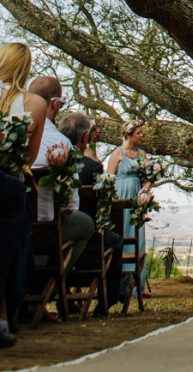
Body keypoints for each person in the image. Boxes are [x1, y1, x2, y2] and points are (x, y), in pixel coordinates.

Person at [0, 43, 46, 348]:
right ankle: (3, 317)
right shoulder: (35, 104)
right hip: (10, 186)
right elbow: (29, 159)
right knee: (6, 252)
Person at [59, 112, 125, 314]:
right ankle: (108, 301)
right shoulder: (93, 168)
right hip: (91, 237)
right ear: (85, 138)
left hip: (54, 233)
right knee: (116, 241)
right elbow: (102, 207)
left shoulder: (56, 161)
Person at [29, 77, 94, 266]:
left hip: (16, 221)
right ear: (55, 104)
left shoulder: (13, 133)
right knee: (86, 224)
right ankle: (53, 278)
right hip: (47, 225)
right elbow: (70, 203)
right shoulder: (61, 143)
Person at [107, 119, 149, 292]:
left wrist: (146, 189)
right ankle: (119, 278)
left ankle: (136, 283)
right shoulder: (117, 154)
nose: (141, 136)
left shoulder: (142, 154)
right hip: (120, 195)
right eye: (139, 133)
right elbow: (109, 179)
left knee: (136, 232)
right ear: (129, 134)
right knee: (121, 231)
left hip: (136, 197)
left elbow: (148, 177)